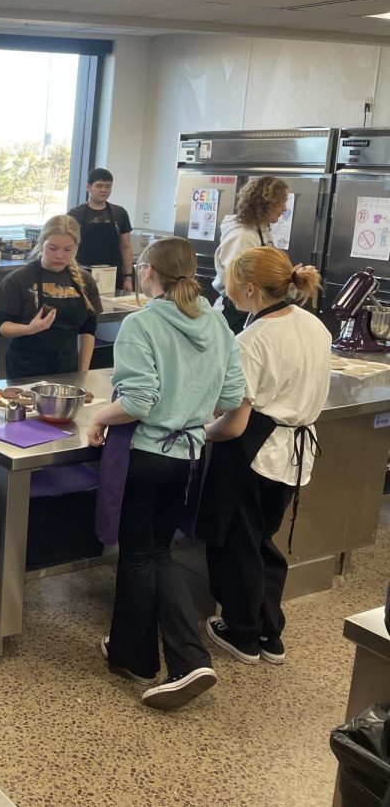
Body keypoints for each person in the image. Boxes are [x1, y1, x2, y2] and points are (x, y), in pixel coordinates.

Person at [88, 237, 247, 711]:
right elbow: (232, 396)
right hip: (187, 456)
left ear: (150, 272)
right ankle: (130, 652)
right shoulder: (217, 323)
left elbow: (138, 401)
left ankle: (172, 658)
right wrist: (194, 416)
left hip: (144, 452)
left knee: (140, 555)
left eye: (140, 266)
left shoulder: (143, 323)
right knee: (159, 550)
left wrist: (98, 417)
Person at [200, 248, 330, 666]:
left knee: (237, 541)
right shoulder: (314, 325)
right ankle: (270, 631)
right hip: (297, 448)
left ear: (251, 289)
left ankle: (242, 632)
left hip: (256, 447)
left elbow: (235, 424)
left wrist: (202, 435)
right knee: (263, 539)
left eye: (233, 282)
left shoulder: (252, 340)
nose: (228, 289)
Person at [0, 215, 101, 379]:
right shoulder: (18, 280)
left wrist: (83, 372)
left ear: (76, 248)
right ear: (42, 245)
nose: (59, 255)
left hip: (68, 369)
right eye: (53, 248)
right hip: (25, 370)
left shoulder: (85, 281)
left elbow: (88, 329)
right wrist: (30, 329)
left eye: (67, 250)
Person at [212, 176, 289, 334]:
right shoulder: (243, 236)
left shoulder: (261, 230)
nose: (285, 208)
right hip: (235, 312)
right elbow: (237, 282)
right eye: (281, 202)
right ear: (265, 204)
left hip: (250, 307)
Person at [68, 167, 134, 293]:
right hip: (81, 274)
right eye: (99, 186)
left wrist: (128, 277)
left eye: (108, 186)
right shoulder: (75, 214)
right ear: (88, 187)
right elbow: (69, 247)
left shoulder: (119, 213)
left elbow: (125, 247)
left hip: (113, 275)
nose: (104, 190)